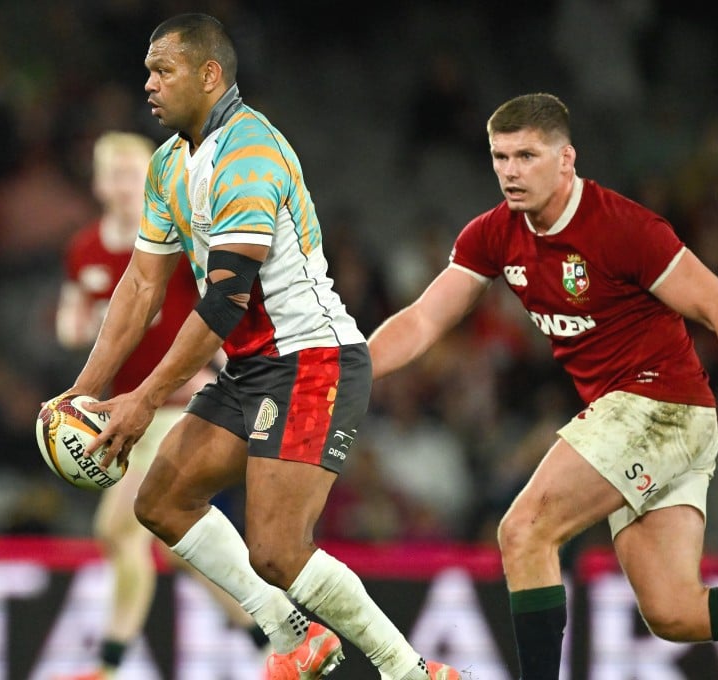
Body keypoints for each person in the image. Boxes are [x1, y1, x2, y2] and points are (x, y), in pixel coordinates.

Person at [366, 92, 718, 680]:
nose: (509, 171)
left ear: (566, 160)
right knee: (674, 612)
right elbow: (425, 319)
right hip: (650, 420)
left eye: (526, 155)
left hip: (660, 406)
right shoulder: (495, 234)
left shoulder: (622, 227)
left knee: (523, 530)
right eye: (499, 156)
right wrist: (353, 369)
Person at [49, 14, 459, 680]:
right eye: (147, 70)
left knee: (276, 550)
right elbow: (140, 286)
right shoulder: (167, 166)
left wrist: (145, 399)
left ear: (210, 75)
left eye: (163, 70)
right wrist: (85, 392)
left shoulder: (250, 155)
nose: (147, 83)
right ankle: (293, 637)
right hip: (253, 368)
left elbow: (223, 299)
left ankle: (410, 671)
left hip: (312, 362)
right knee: (161, 501)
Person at [52, 131, 270, 680]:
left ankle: (110, 663)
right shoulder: (85, 248)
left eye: (136, 173)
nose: (128, 185)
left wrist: (216, 363)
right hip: (124, 414)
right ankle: (270, 635)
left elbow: (222, 304)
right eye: (117, 174)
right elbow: (70, 317)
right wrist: (80, 328)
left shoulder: (172, 239)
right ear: (100, 183)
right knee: (177, 543)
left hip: (180, 406)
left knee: (119, 529)